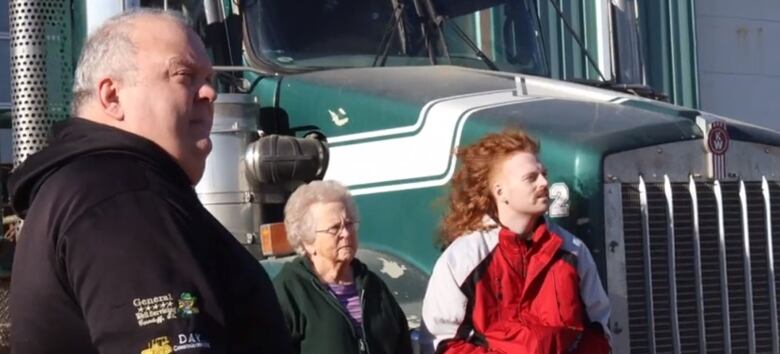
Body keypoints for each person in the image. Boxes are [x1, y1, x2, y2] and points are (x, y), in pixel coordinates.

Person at [8, 9, 293, 354]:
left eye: (210, 79)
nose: (209, 94)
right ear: (112, 96)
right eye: (184, 75)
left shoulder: (85, 190)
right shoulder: (122, 194)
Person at [421, 130, 611, 354]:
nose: (544, 182)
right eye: (531, 178)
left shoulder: (573, 251)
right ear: (500, 191)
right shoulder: (462, 259)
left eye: (544, 174)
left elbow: (598, 330)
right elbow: (443, 344)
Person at [273, 180, 413, 354]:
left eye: (349, 224)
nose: (346, 233)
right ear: (308, 241)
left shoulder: (373, 287)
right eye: (334, 228)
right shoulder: (289, 291)